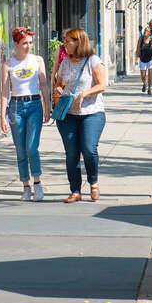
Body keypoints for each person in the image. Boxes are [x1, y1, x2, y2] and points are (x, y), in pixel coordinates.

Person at [53, 28, 107, 203]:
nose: (64, 44)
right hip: (68, 114)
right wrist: (58, 89)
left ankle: (94, 182)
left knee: (89, 149)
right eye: (64, 40)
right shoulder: (65, 62)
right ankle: (75, 190)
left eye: (68, 40)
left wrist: (84, 94)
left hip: (92, 113)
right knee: (71, 153)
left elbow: (102, 85)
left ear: (78, 42)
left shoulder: (93, 60)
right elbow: (60, 83)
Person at [0, 26, 51, 201]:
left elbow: (44, 84)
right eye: (24, 43)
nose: (28, 46)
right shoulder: (8, 65)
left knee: (31, 147)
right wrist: (2, 116)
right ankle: (25, 186)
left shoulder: (37, 60)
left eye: (30, 43)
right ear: (16, 44)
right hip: (15, 107)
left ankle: (37, 183)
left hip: (35, 104)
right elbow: (5, 91)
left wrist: (47, 105)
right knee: (20, 150)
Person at [136, 28, 152, 95]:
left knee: (150, 74)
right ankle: (144, 83)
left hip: (151, 59)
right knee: (143, 75)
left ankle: (149, 88)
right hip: (143, 58)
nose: (145, 32)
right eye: (145, 30)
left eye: (147, 31)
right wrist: (137, 58)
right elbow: (138, 49)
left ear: (150, 33)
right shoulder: (141, 39)